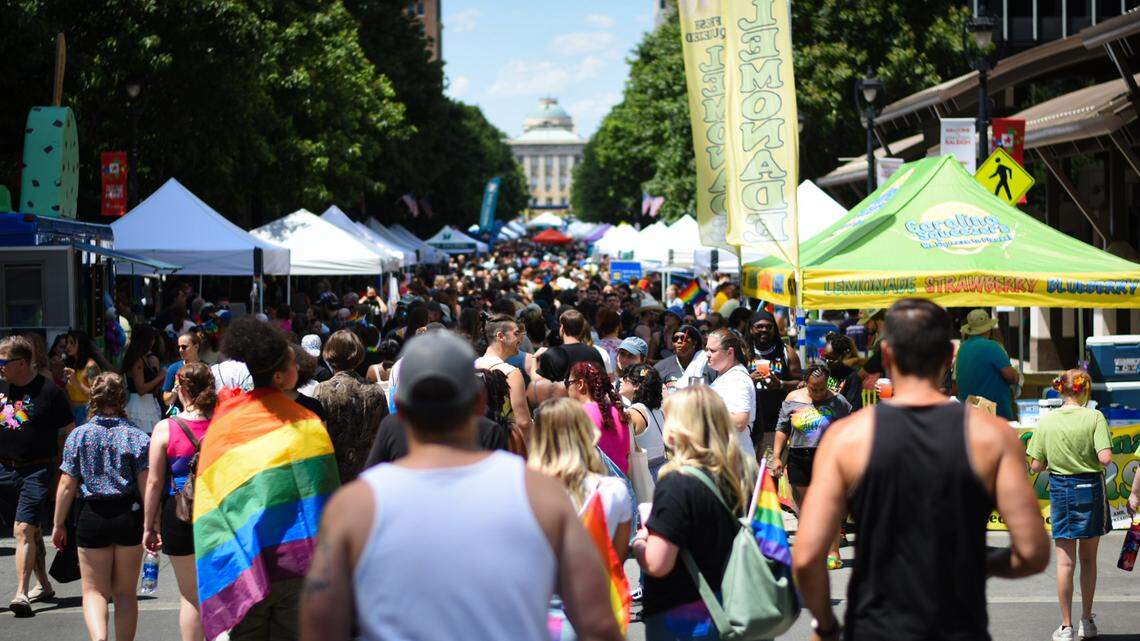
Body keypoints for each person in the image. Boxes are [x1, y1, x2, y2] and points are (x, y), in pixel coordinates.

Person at [298, 330, 623, 641]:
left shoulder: (354, 506)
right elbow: (596, 621)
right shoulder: (538, 493)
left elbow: (320, 623)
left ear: (401, 407)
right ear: (480, 403)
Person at [793, 298, 1050, 641]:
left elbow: (807, 557)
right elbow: (1033, 553)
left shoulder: (847, 438)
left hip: (875, 628)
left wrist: (825, 626)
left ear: (886, 356)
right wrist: (979, 564)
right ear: (949, 358)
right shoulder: (992, 436)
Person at [193, 316, 339, 641]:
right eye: (292, 361)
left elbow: (212, 502)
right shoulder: (308, 424)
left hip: (243, 566)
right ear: (279, 375)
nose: (298, 365)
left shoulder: (224, 427)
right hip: (298, 567)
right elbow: (322, 498)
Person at [632, 386, 757, 640]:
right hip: (738, 606)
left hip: (687, 618)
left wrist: (641, 540)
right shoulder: (745, 473)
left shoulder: (677, 483)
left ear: (680, 428)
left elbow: (657, 563)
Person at [52, 373, 150, 641]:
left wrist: (58, 524)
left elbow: (66, 484)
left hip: (92, 515)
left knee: (94, 591)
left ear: (93, 398)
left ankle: (99, 638)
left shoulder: (79, 435)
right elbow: (147, 485)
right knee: (125, 593)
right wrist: (151, 523)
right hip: (127, 514)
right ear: (122, 398)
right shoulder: (137, 436)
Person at [530, 397, 633, 638]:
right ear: (585, 433)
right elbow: (616, 558)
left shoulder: (522, 493)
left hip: (541, 615)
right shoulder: (614, 490)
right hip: (597, 612)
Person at [1027, 369, 1113, 641]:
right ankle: (1087, 620)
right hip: (1091, 488)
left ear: (1060, 390)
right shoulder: (1095, 417)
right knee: (1088, 559)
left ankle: (1066, 627)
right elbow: (1105, 458)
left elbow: (1036, 465)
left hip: (1061, 489)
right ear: (1085, 390)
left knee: (1065, 563)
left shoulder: (1048, 420)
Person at [0, 335, 73, 616]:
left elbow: (68, 432)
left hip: (37, 469)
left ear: (21, 363)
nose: (0, 367)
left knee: (22, 530)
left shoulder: (50, 392)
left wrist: (64, 472)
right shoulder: (1, 387)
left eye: (3, 362)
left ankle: (21, 593)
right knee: (30, 531)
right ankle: (44, 584)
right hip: (3, 469)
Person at [142, 363, 215, 641]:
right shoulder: (224, 424)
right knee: (217, 590)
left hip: (180, 512)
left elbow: (154, 482)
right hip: (219, 512)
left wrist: (150, 525)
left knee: (190, 596)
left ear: (181, 390)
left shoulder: (165, 428)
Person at [771, 363, 851, 570]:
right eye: (813, 388)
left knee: (828, 507)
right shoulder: (793, 399)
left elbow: (848, 429)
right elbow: (782, 428)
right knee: (807, 509)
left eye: (822, 388)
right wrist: (777, 456)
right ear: (805, 383)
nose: (818, 393)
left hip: (827, 458)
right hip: (799, 457)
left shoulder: (838, 401)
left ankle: (833, 551)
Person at [312, 330, 388, 483]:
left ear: (329, 354)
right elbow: (383, 436)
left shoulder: (322, 391)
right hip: (367, 476)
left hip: (335, 476)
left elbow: (317, 439)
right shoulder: (376, 390)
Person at [749, 309, 802, 450]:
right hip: (748, 427)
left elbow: (800, 383)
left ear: (774, 329)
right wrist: (748, 379)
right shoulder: (743, 352)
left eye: (768, 326)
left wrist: (780, 384)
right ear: (751, 329)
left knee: (772, 464)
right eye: (759, 326)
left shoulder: (787, 352)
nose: (764, 330)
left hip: (776, 426)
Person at [474, 314, 533, 438]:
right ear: (501, 336)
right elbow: (523, 422)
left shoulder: (472, 366)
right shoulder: (511, 373)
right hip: (504, 441)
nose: (520, 339)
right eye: (516, 334)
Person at [566, 361, 631, 474]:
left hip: (594, 482)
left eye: (568, 383)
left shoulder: (578, 414)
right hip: (622, 482)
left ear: (580, 384)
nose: (566, 388)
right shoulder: (620, 412)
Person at [954, 308, 1019, 420]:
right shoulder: (993, 347)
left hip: (969, 413)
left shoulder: (962, 349)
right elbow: (1011, 377)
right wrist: (1017, 375)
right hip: (994, 415)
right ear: (988, 329)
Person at [706, 329, 757, 458]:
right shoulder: (726, 375)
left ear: (729, 352)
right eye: (707, 349)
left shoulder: (738, 379)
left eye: (712, 351)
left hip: (734, 460)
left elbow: (740, 421)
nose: (707, 354)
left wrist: (704, 409)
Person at [620, 364, 667, 480]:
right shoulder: (659, 411)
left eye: (625, 378)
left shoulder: (632, 413)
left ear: (636, 386)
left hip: (644, 475)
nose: (621, 381)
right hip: (663, 471)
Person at [122, 325, 165, 433]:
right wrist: (160, 376)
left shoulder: (144, 358)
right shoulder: (138, 361)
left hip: (148, 405)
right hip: (139, 408)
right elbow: (141, 389)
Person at [654, 325, 715, 389]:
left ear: (694, 343)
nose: (679, 341)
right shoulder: (661, 367)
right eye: (675, 339)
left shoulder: (708, 364)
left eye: (684, 338)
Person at [63, 330, 102, 427]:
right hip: (72, 411)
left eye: (72, 343)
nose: (68, 346)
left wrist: (76, 382)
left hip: (86, 411)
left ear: (81, 345)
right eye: (67, 343)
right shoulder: (73, 365)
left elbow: (96, 394)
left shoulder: (91, 366)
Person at [820, 333, 864, 411]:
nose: (827, 361)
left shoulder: (852, 377)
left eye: (832, 358)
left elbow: (853, 408)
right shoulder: (823, 372)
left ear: (842, 356)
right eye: (825, 357)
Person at [162, 330, 203, 410]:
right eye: (179, 347)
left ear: (196, 347)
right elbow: (166, 401)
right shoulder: (173, 368)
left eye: (184, 347)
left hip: (202, 413)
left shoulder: (207, 368)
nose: (180, 350)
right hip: (181, 414)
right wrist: (176, 389)